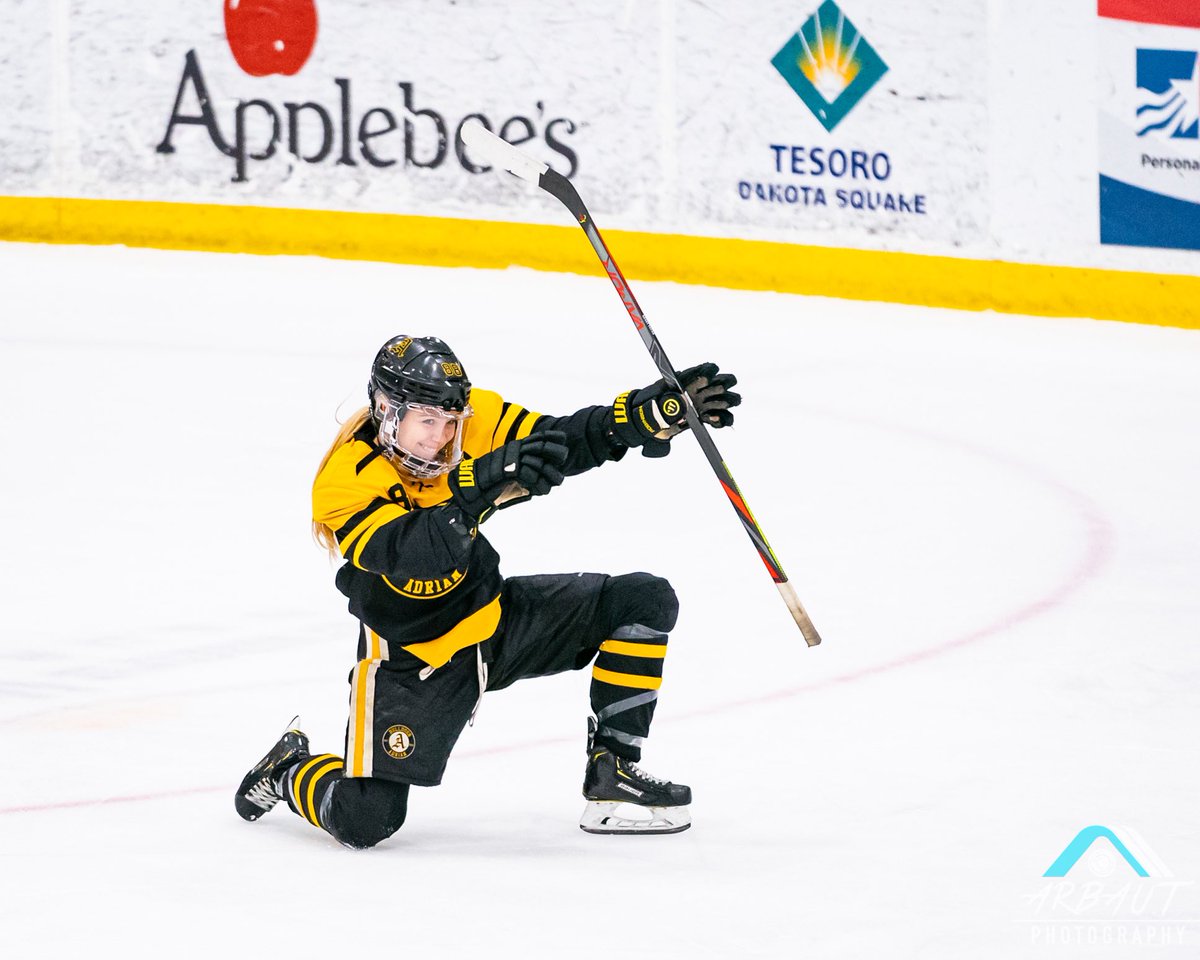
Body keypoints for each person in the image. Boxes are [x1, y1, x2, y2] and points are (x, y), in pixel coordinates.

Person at [234, 334, 740, 847]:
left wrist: (640, 417)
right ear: (387, 410)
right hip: (414, 659)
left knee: (643, 600)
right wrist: (473, 489)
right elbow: (413, 554)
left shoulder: (472, 421)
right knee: (366, 819)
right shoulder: (345, 479)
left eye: (450, 423)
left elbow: (558, 442)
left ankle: (613, 776)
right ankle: (288, 768)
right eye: (426, 421)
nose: (440, 438)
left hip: (493, 620)